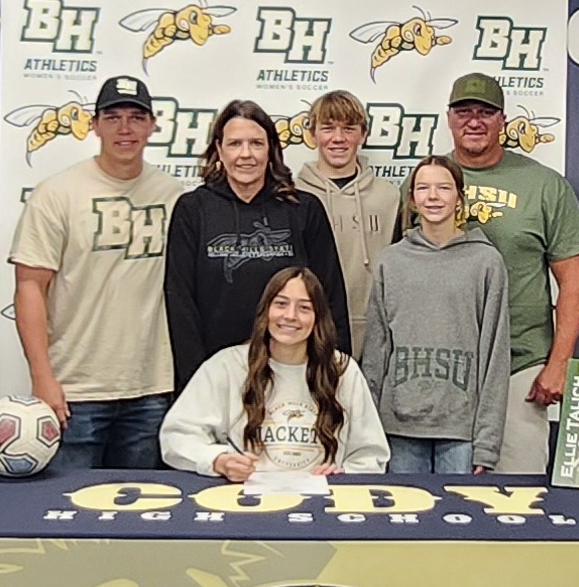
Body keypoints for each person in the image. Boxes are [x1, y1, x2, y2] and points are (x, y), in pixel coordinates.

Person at [9, 74, 183, 468]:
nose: (125, 128)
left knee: (141, 503)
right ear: (94, 125)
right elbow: (30, 286)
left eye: (136, 118)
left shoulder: (174, 196)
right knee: (67, 504)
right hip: (75, 392)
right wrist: (42, 377)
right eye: (113, 117)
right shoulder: (57, 194)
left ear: (153, 126)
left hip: (151, 390)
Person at [443, 72, 579, 474]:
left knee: (518, 492)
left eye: (485, 112)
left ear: (502, 121)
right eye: (464, 112)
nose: (474, 121)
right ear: (449, 118)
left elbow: (574, 281)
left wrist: (559, 363)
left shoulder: (544, 185)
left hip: (520, 364)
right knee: (440, 496)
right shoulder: (427, 180)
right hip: (443, 367)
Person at [164, 100, 351, 391]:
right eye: (235, 144)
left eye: (256, 143)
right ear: (219, 149)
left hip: (294, 374)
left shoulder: (303, 209)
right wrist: (197, 382)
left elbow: (330, 297)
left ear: (271, 149)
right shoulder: (193, 210)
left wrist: (334, 373)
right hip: (216, 377)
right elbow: (181, 305)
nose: (246, 154)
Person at [161, 267, 388, 480]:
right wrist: (219, 461)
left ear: (318, 318)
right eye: (281, 304)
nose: (290, 315)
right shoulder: (226, 366)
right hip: (244, 498)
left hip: (321, 499)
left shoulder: (343, 371)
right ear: (265, 310)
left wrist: (344, 475)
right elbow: (177, 436)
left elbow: (370, 454)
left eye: (304, 308)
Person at [363, 156, 510, 474]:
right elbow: (376, 351)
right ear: (412, 198)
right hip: (398, 427)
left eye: (443, 188)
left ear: (459, 197)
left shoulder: (485, 262)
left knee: (460, 507)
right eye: (423, 188)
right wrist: (367, 433)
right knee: (404, 507)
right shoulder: (391, 261)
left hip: (461, 431)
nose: (433, 196)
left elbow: (495, 357)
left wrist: (487, 444)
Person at [294, 90, 400, 354]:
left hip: (377, 333)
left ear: (362, 135)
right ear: (312, 135)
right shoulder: (292, 197)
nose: (338, 138)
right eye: (328, 128)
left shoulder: (389, 197)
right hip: (309, 333)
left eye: (349, 128)